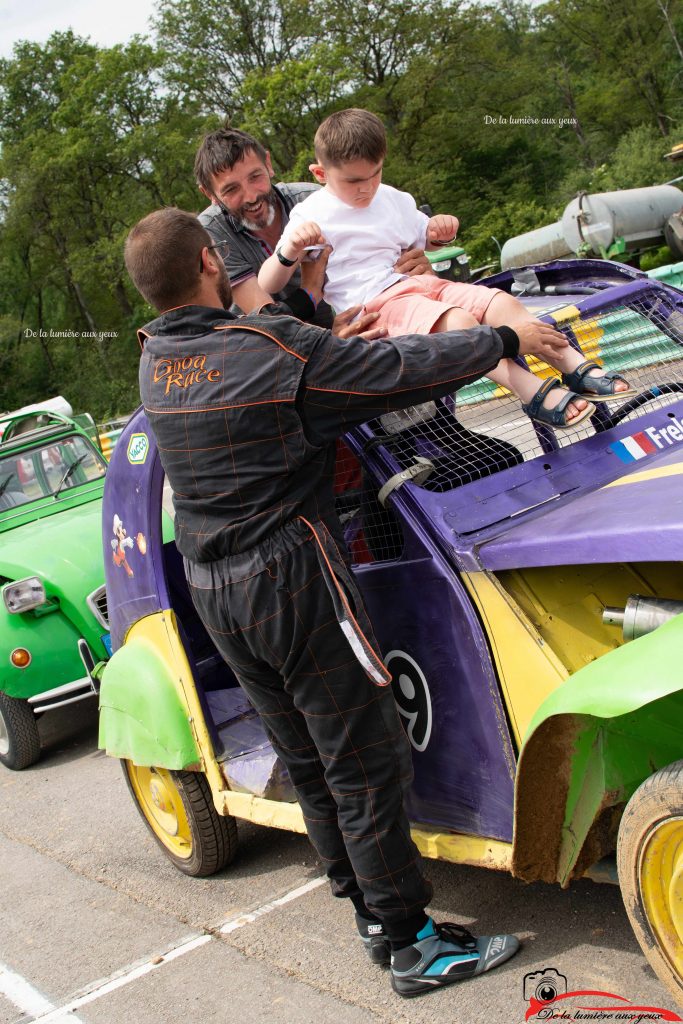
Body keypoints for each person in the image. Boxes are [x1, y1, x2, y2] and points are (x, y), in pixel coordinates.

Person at [123, 207, 567, 997]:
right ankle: (411, 944)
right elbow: (400, 371)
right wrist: (503, 340)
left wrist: (322, 329)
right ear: (206, 263)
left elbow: (308, 369)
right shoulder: (263, 351)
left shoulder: (157, 357)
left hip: (216, 589)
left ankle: (366, 907)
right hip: (291, 578)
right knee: (363, 760)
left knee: (306, 758)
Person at [258, 108, 635, 429]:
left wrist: (440, 229)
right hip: (377, 307)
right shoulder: (310, 214)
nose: (367, 188)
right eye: (354, 181)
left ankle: (571, 364)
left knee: (500, 303)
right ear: (321, 174)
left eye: (375, 173)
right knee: (459, 325)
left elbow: (426, 238)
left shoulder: (393, 199)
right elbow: (268, 282)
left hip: (421, 284)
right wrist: (289, 251)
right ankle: (528, 388)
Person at [195, 126, 432, 340]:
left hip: (353, 325)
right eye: (231, 189)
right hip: (268, 354)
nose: (251, 196)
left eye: (255, 177)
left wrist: (415, 265)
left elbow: (387, 248)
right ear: (210, 194)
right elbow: (267, 322)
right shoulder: (210, 233)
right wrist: (315, 305)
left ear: (268, 163)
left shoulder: (314, 201)